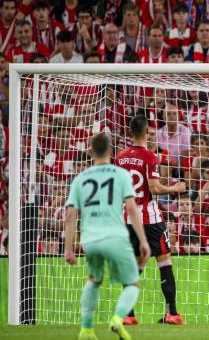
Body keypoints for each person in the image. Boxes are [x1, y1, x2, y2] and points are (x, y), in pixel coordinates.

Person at [63, 133, 150, 340]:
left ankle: (86, 329)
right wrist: (143, 240)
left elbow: (70, 214)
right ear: (111, 151)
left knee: (93, 280)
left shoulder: (80, 179)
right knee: (132, 284)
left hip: (90, 239)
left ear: (90, 152)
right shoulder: (121, 175)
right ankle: (118, 319)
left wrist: (68, 248)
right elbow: (131, 207)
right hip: (116, 237)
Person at [115, 115, 187, 325]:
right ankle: (172, 313)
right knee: (164, 261)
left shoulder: (120, 157)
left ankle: (129, 315)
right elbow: (154, 188)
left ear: (130, 132)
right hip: (149, 218)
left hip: (128, 218)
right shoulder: (150, 157)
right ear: (147, 132)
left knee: (135, 265)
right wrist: (175, 188)